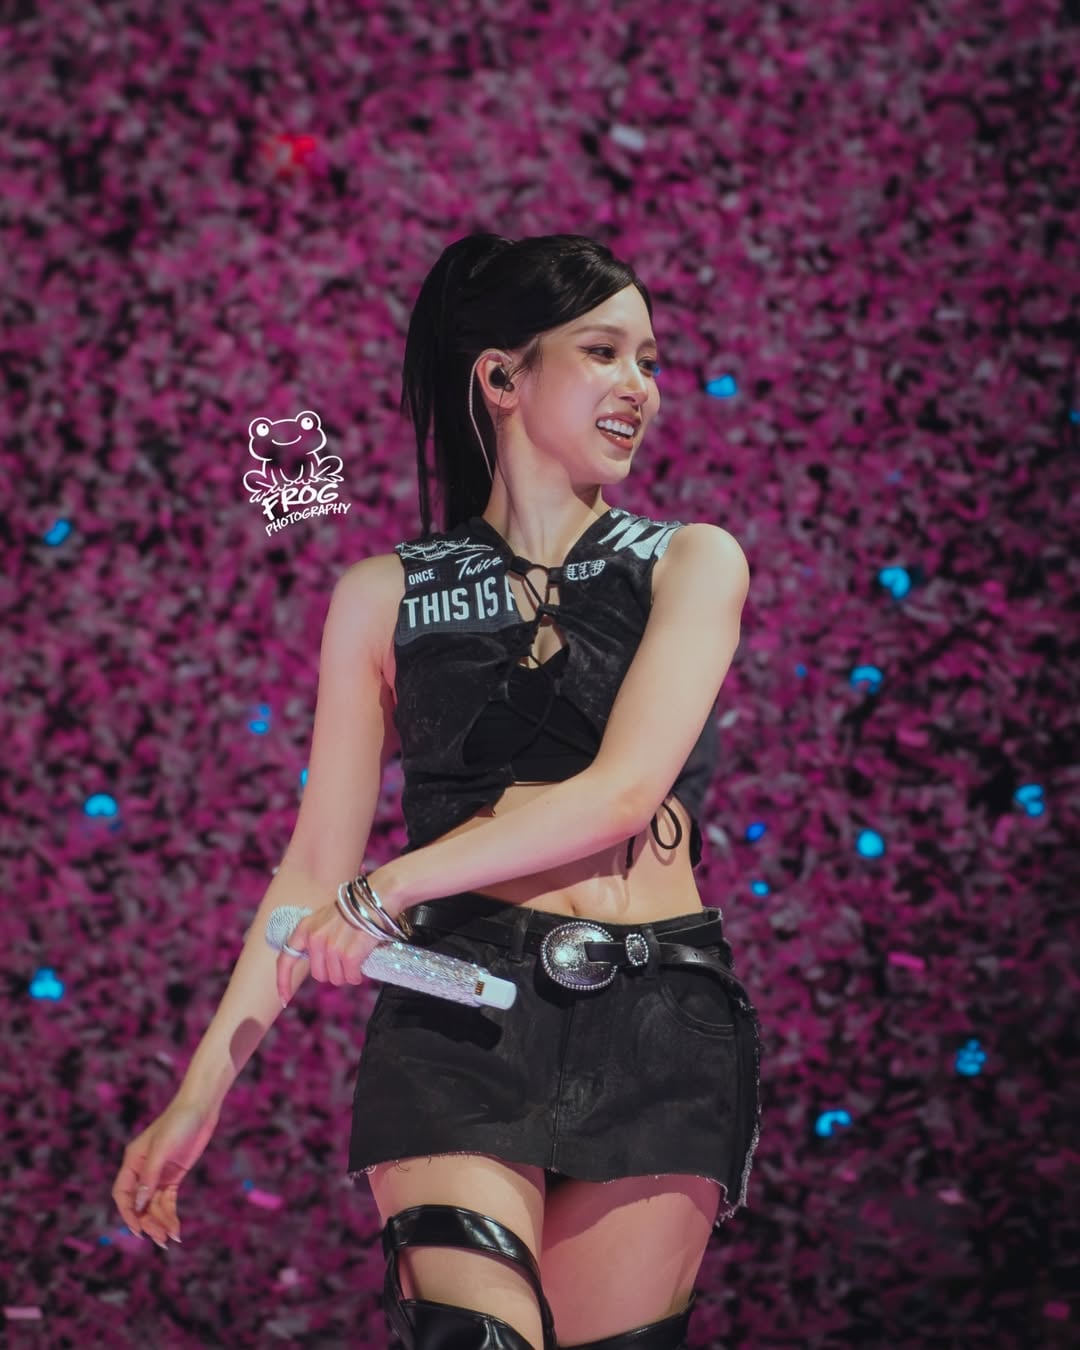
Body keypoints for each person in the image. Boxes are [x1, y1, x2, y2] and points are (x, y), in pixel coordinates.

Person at [112, 232, 761, 1350]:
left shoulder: (692, 560)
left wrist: (384, 892)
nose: (640, 387)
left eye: (650, 361)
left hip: (659, 1019)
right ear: (502, 377)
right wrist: (200, 1093)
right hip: (457, 1020)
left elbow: (620, 794)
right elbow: (311, 869)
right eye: (603, 352)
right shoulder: (384, 594)